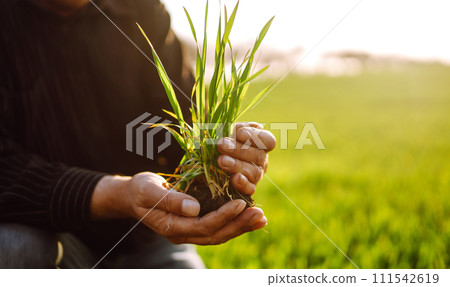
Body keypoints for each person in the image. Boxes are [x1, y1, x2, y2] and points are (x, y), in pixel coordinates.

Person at [0, 0, 276, 268]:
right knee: (14, 247)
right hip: (53, 239)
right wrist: (119, 194)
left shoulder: (141, 9)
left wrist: (224, 152)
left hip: (147, 240)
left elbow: (185, 123)